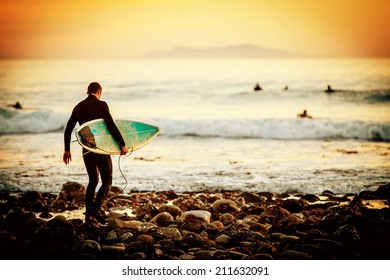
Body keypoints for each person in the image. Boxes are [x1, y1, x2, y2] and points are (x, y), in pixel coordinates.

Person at [63, 82, 128, 224]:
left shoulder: (78, 107)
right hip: (100, 147)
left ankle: (88, 217)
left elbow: (68, 129)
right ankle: (95, 209)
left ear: (87, 92)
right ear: (100, 92)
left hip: (87, 148)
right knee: (107, 180)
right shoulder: (101, 105)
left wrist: (67, 150)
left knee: (93, 181)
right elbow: (111, 125)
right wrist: (122, 144)